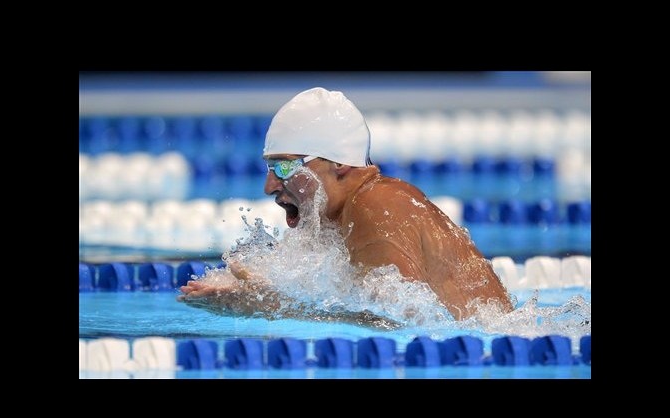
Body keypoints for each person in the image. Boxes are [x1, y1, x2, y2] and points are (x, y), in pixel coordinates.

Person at [179, 87, 512, 328]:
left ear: (338, 163)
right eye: (269, 168)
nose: (269, 186)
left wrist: (271, 306)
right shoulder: (339, 218)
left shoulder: (375, 206)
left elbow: (403, 324)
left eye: (284, 167)